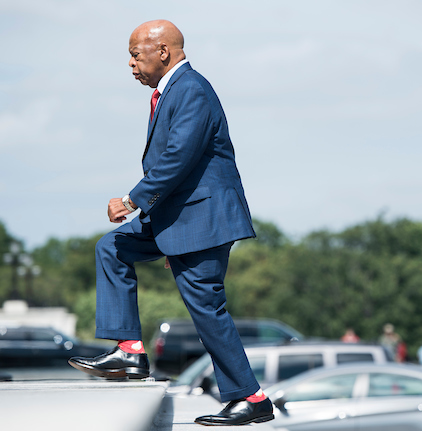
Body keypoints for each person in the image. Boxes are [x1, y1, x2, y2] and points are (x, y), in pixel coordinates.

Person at [67, 20, 274, 426]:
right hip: (180, 218)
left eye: (134, 53)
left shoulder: (191, 89)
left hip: (204, 220)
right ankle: (129, 350)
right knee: (112, 248)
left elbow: (177, 158)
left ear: (163, 51)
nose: (130, 64)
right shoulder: (175, 91)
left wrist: (131, 201)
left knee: (206, 308)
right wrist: (164, 230)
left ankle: (252, 398)